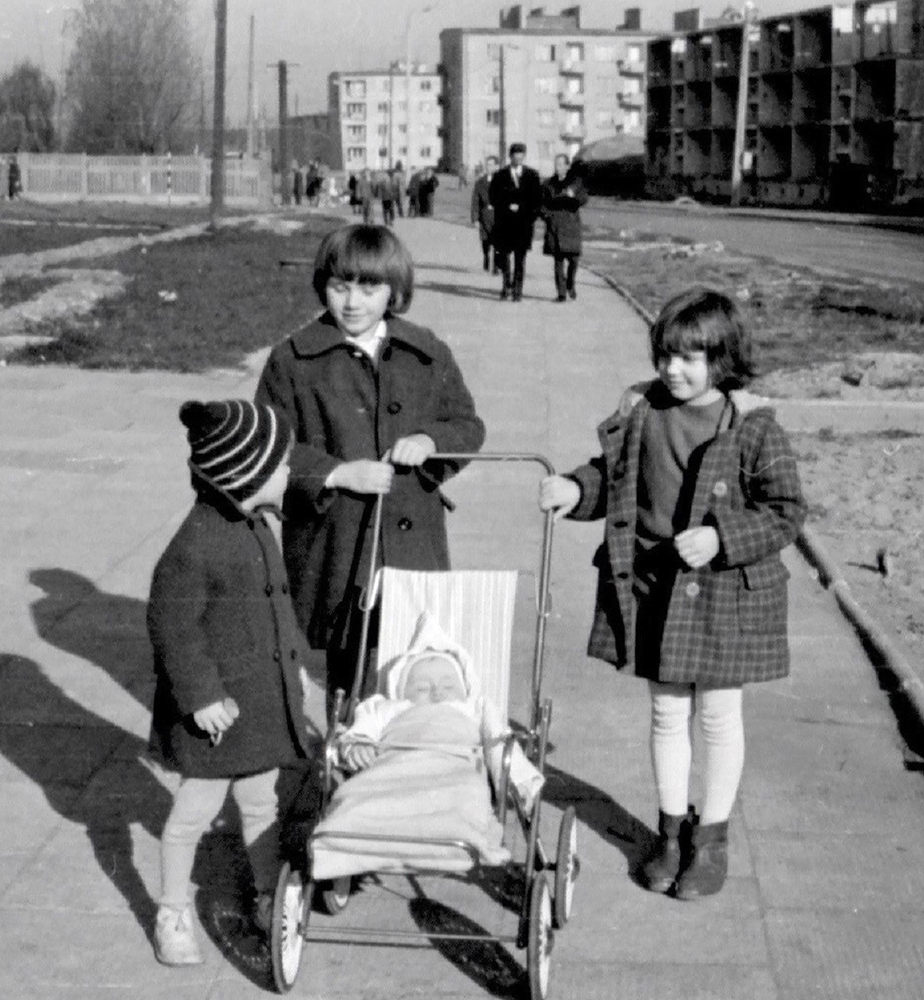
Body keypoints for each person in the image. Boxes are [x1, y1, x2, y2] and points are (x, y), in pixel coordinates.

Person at [537, 288, 806, 900]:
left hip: (723, 594)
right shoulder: (643, 411)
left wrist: (721, 537)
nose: (673, 369)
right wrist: (576, 489)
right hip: (655, 586)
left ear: (723, 358)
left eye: (690, 357)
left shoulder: (752, 425)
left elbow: (786, 511)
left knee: (718, 715)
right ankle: (670, 833)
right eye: (665, 355)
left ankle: (711, 839)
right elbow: (612, 477)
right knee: (665, 712)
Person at [254, 223, 486, 717]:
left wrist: (431, 441)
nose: (353, 302)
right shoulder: (292, 361)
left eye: (369, 289)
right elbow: (269, 447)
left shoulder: (426, 352)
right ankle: (345, 748)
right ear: (323, 286)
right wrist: (336, 474)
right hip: (336, 541)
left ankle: (406, 749)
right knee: (349, 664)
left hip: (412, 538)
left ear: (394, 291)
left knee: (416, 657)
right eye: (340, 287)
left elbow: (466, 425)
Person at [146, 399, 314, 966]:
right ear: (247, 474)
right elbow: (172, 624)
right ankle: (172, 911)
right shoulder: (195, 545)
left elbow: (278, 610)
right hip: (216, 718)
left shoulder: (258, 526)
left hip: (258, 705)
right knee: (192, 813)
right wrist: (199, 695)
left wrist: (294, 669)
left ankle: (268, 895)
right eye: (281, 465)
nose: (289, 472)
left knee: (261, 801)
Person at [332, 614, 544, 805]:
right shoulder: (389, 708)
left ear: (466, 690)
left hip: (455, 778)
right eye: (422, 688)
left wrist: (514, 778)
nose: (437, 692)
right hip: (396, 775)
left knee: (463, 806)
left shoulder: (474, 708)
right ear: (400, 693)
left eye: (449, 686)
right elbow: (366, 721)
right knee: (364, 803)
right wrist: (359, 743)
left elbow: (498, 740)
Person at [488, 142, 542, 302]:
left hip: (523, 225)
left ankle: (518, 290)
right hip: (505, 224)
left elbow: (536, 200)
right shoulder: (500, 175)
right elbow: (493, 197)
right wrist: (507, 206)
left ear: (524, 156)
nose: (518, 158)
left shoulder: (532, 175)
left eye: (521, 155)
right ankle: (506, 286)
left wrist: (527, 214)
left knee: (520, 259)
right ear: (510, 156)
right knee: (504, 258)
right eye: (515, 155)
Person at [540, 154, 588, 302]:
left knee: (574, 259)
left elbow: (584, 199)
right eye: (556, 164)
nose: (558, 167)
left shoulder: (576, 182)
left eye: (561, 164)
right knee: (558, 260)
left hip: (571, 224)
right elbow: (541, 204)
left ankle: (570, 283)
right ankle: (561, 293)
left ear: (567, 166)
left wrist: (573, 196)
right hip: (555, 225)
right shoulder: (548, 184)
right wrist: (547, 216)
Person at [469, 157, 498, 273]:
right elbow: (475, 201)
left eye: (491, 165)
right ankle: (486, 257)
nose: (489, 167)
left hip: (497, 215)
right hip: (484, 215)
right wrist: (475, 219)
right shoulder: (480, 182)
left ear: (496, 166)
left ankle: (496, 266)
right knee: (485, 241)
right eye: (487, 165)